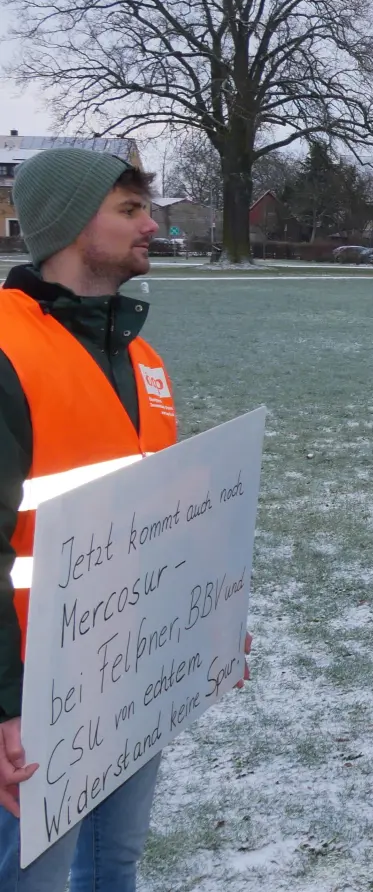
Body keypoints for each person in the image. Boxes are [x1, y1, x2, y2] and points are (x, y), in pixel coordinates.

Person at [0, 147, 214, 890]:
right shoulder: (6, 349)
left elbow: (164, 520)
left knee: (112, 863)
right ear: (67, 226)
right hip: (32, 689)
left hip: (128, 669)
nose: (151, 224)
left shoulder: (143, 358)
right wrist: (3, 704)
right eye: (129, 211)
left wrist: (207, 619)